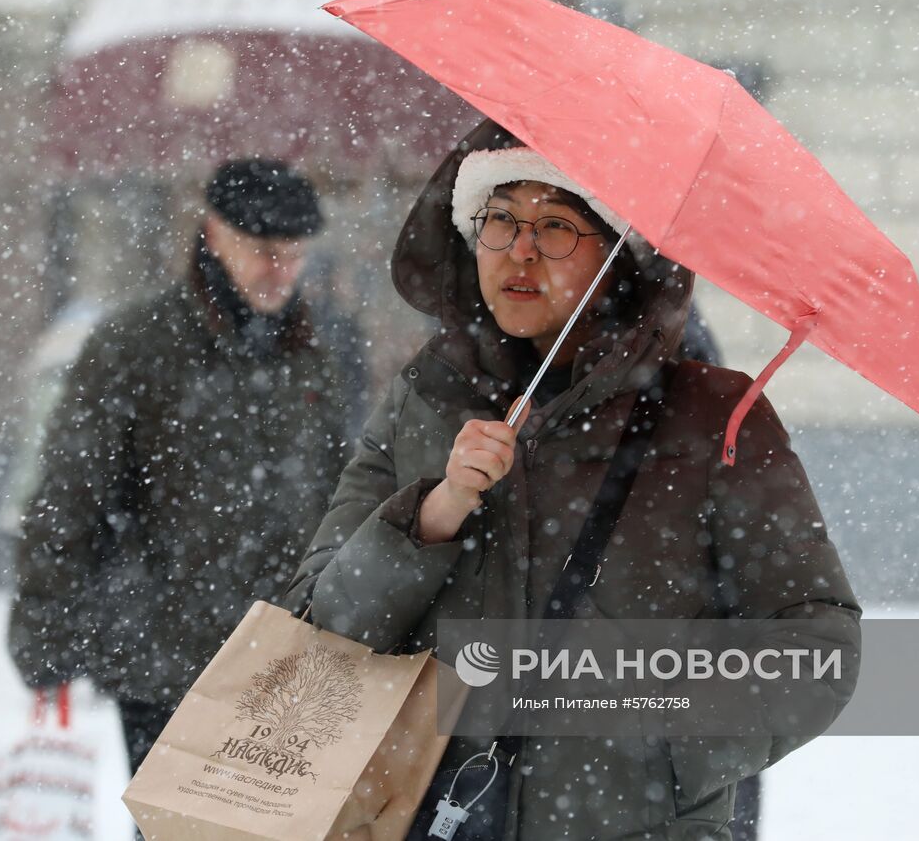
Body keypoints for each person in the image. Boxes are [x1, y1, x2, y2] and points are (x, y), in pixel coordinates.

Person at [284, 121, 860, 840]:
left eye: (556, 226)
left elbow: (818, 644)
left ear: (619, 258)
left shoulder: (710, 417)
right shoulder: (424, 401)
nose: (520, 251)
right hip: (435, 818)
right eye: (499, 220)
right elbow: (318, 624)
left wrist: (656, 744)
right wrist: (437, 510)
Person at [10, 158, 350, 777]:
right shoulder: (136, 346)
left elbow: (337, 495)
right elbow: (69, 497)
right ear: (215, 235)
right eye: (263, 249)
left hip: (284, 664)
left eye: (295, 253)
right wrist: (46, 637)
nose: (281, 270)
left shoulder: (309, 356)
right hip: (164, 661)